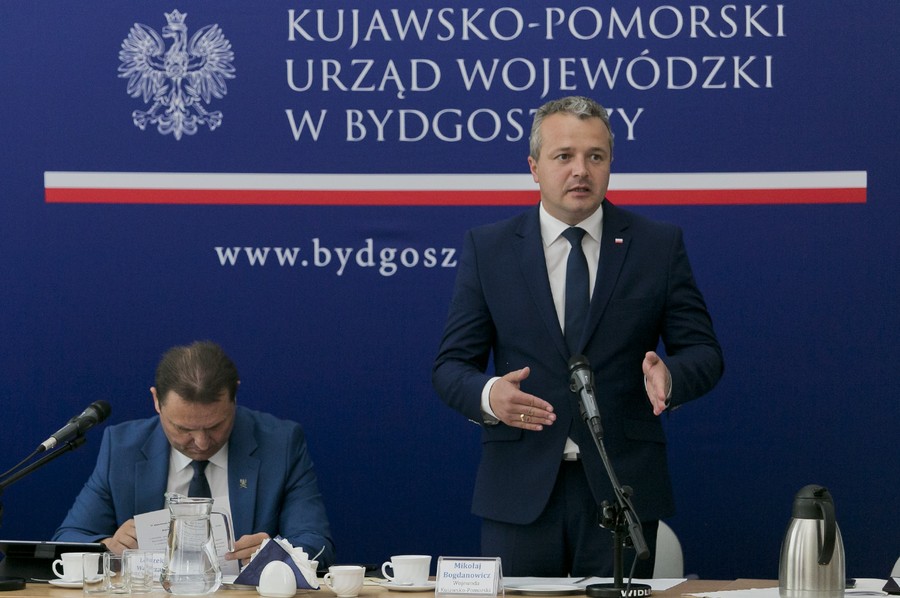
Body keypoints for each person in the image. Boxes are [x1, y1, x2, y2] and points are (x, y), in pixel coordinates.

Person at [432, 96, 723, 577]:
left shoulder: (656, 245)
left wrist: (671, 377)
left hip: (623, 486)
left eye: (595, 156)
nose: (580, 171)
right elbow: (450, 367)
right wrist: (489, 395)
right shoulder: (490, 249)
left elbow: (704, 353)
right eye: (563, 156)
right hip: (520, 489)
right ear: (534, 167)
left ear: (611, 164)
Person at [53, 341, 335, 567]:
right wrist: (109, 547)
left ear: (235, 396)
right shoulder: (122, 448)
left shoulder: (280, 444)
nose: (201, 443)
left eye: (215, 426)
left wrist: (276, 555)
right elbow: (68, 538)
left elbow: (316, 543)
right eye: (183, 428)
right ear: (156, 401)